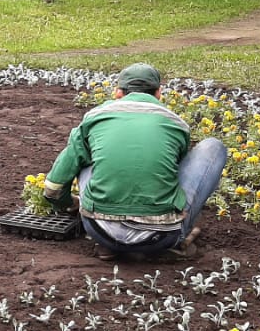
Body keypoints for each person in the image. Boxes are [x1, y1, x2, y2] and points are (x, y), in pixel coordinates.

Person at [41, 63, 227, 261]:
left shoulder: (94, 118)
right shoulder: (175, 123)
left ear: (118, 93)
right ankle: (172, 245)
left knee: (85, 152)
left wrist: (69, 204)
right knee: (213, 147)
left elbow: (53, 188)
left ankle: (111, 246)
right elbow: (176, 173)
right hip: (162, 236)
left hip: (98, 231)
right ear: (158, 93)